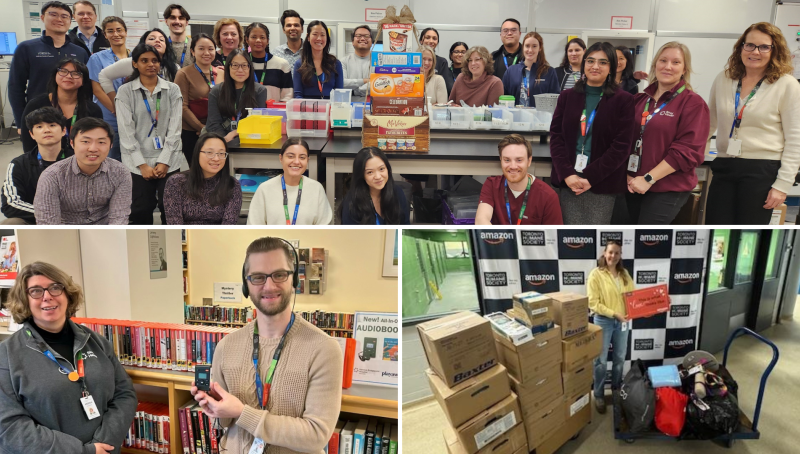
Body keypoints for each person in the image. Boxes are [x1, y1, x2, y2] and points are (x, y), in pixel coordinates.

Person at [190, 237, 343, 453]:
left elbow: (316, 435)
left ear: (294, 280)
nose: (269, 286)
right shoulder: (226, 347)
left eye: (279, 275)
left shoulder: (324, 349)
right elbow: (224, 424)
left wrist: (242, 412)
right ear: (246, 284)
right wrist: (214, 405)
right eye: (258, 277)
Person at [0, 261, 138, 454]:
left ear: (67, 294)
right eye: (36, 291)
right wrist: (83, 451)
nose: (47, 297)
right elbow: (9, 427)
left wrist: (103, 444)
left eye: (55, 288)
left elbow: (124, 394)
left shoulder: (95, 341)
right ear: (25, 300)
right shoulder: (6, 356)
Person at [707, 22, 800, 225]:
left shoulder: (786, 85)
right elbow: (708, 124)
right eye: (749, 45)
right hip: (725, 165)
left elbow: (795, 139)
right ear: (741, 47)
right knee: (716, 231)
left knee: (748, 236)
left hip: (762, 170)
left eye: (764, 47)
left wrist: (783, 184)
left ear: (775, 50)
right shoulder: (723, 79)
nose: (755, 52)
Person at [549, 41, 635, 224]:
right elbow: (556, 138)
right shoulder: (567, 97)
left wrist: (590, 177)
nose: (595, 66)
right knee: (568, 239)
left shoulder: (624, 101)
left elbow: (621, 147)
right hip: (568, 181)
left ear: (611, 67)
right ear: (584, 64)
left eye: (603, 62)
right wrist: (567, 174)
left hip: (601, 183)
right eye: (590, 61)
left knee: (593, 241)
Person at [626, 42, 710, 224]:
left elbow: (688, 152)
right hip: (632, 184)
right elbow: (623, 139)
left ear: (684, 68)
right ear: (655, 64)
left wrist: (648, 178)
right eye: (663, 60)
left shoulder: (693, 103)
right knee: (625, 242)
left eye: (676, 62)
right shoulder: (639, 100)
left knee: (645, 243)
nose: (668, 67)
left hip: (667, 188)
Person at [115, 43, 187, 225]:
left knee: (169, 208)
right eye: (144, 60)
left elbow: (175, 129)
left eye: (155, 60)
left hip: (169, 159)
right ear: (135, 64)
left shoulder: (172, 90)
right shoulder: (125, 92)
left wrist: (164, 160)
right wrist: (142, 165)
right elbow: (126, 133)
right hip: (136, 162)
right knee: (140, 208)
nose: (151, 64)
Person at [8, 1, 89, 135]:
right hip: (38, 116)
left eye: (64, 16)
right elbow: (15, 87)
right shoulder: (27, 48)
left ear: (70, 21)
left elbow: (86, 86)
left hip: (73, 117)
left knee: (75, 155)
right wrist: (21, 120)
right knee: (41, 155)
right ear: (42, 17)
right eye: (53, 14)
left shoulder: (80, 51)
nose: (59, 19)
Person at [34, 117, 132, 225]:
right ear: (72, 143)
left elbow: (119, 218)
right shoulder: (52, 176)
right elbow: (48, 224)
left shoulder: (120, 172)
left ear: (111, 145)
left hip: (105, 232)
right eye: (85, 141)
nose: (93, 148)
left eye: (101, 142)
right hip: (65, 233)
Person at [2, 107, 74, 225]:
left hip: (74, 220)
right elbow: (10, 204)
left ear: (63, 131)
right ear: (31, 134)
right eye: (39, 127)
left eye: (52, 125)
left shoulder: (78, 161)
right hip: (36, 219)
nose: (46, 130)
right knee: (10, 223)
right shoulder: (19, 164)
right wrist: (50, 214)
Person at [587, 240, 635, 414]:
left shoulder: (624, 274)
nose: (613, 256)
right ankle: (599, 395)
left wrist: (654, 304)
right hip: (604, 321)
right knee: (600, 361)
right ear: (604, 253)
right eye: (610, 252)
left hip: (622, 322)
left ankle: (615, 391)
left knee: (620, 358)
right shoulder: (596, 274)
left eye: (617, 253)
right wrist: (615, 314)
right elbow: (594, 304)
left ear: (620, 255)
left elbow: (633, 297)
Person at [19, 57, 102, 153]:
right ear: (55, 75)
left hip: (81, 162)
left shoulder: (93, 109)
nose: (69, 76)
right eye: (63, 71)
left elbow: (97, 141)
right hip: (44, 162)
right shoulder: (36, 105)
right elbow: (28, 141)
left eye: (76, 73)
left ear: (84, 81)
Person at [476, 134, 563, 225]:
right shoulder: (492, 185)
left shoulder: (548, 196)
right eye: (507, 160)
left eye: (519, 160)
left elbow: (554, 235)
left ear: (529, 161)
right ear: (500, 160)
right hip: (500, 239)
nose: (513, 166)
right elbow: (481, 220)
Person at [247, 138, 332, 225]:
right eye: (290, 156)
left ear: (307, 160)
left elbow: (324, 227)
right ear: (281, 158)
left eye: (302, 157)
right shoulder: (264, 189)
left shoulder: (316, 189)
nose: (296, 161)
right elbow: (254, 227)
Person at [163, 132, 242, 225]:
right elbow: (175, 225)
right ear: (197, 153)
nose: (216, 158)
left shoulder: (232, 184)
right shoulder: (176, 182)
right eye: (209, 153)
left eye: (221, 153)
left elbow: (228, 225)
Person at [87, 16, 129, 161]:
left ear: (126, 32)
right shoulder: (97, 58)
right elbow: (97, 89)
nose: (116, 34)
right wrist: (116, 109)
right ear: (105, 35)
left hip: (133, 115)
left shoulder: (136, 57)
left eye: (119, 30)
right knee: (112, 155)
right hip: (110, 116)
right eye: (110, 31)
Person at [98, 28, 181, 97]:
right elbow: (103, 75)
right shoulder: (132, 62)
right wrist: (115, 101)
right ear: (143, 44)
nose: (157, 41)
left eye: (162, 40)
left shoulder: (174, 67)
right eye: (152, 38)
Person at [206, 50, 268, 142]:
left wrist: (235, 133)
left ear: (250, 68)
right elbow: (213, 124)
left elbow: (258, 123)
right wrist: (224, 141)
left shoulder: (259, 91)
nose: (240, 70)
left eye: (244, 65)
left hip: (249, 141)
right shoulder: (216, 91)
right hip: (221, 142)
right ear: (228, 67)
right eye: (235, 65)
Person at [174, 33, 217, 164]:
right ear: (192, 51)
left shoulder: (221, 72)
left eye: (210, 49)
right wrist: (202, 128)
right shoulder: (183, 74)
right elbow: (181, 106)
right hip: (192, 133)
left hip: (216, 131)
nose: (206, 52)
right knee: (198, 173)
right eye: (201, 48)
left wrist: (213, 129)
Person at [339, 147, 410, 225]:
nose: (378, 176)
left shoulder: (397, 193)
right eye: (370, 172)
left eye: (381, 169)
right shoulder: (352, 202)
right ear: (361, 175)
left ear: (388, 169)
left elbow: (405, 228)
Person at [502, 32, 559, 107]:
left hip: (540, 117)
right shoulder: (511, 71)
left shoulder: (549, 72)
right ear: (523, 47)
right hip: (515, 116)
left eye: (534, 46)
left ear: (540, 48)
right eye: (527, 46)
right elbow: (503, 97)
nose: (530, 50)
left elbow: (555, 99)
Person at [293, 20, 343, 99]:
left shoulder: (335, 63)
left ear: (327, 38)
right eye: (315, 34)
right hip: (307, 108)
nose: (319, 38)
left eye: (322, 35)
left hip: (329, 108)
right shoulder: (300, 64)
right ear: (308, 37)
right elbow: (298, 94)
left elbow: (339, 93)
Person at [245, 22, 293, 101]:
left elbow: (287, 96)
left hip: (273, 112)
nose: (258, 40)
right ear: (247, 39)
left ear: (267, 40)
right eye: (254, 37)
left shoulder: (281, 64)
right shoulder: (242, 64)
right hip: (247, 112)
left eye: (262, 37)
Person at [419, 27, 455, 93]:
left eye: (434, 39)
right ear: (421, 41)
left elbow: (447, 88)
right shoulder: (411, 60)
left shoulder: (442, 62)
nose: (431, 41)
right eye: (427, 38)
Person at [341, 25, 372, 97]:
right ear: (352, 41)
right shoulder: (343, 61)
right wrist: (365, 81)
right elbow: (342, 83)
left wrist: (354, 92)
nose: (363, 38)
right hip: (349, 106)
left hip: (373, 106)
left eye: (366, 36)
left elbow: (378, 84)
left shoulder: (380, 62)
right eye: (358, 36)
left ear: (371, 41)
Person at [274, 10, 305, 76]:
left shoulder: (311, 51)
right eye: (289, 25)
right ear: (283, 30)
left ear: (302, 29)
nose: (293, 28)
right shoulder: (276, 53)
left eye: (296, 25)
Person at [164, 4, 193, 68]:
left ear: (186, 22)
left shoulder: (195, 45)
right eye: (173, 18)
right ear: (166, 21)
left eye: (181, 18)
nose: (177, 21)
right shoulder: (162, 45)